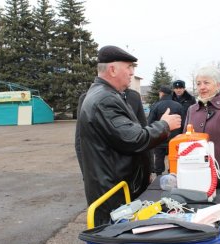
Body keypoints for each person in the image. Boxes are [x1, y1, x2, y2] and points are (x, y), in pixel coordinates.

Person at [77, 45, 181, 226]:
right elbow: (134, 139)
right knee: (116, 241)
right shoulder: (105, 100)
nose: (132, 72)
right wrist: (165, 125)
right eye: (129, 67)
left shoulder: (106, 95)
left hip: (114, 186)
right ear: (112, 69)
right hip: (114, 192)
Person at [183, 66, 220, 171]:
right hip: (194, 172)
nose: (202, 87)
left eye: (206, 83)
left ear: (218, 85)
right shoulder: (192, 109)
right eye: (199, 83)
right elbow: (184, 139)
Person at [147, 85, 183, 176]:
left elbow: (149, 122)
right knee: (174, 158)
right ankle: (173, 174)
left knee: (159, 158)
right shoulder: (178, 105)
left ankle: (158, 177)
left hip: (160, 138)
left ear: (161, 93)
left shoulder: (156, 105)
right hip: (175, 140)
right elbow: (184, 123)